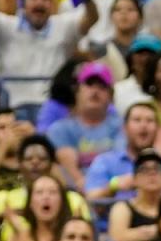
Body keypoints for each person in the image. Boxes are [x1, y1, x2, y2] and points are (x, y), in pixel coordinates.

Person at [0, 0, 97, 107]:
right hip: (12, 107)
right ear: (22, 2)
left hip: (52, 106)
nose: (39, 3)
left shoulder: (64, 26)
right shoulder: (6, 26)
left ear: (52, 4)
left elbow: (92, 18)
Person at [84, 101, 161, 200]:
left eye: (149, 120)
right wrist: (114, 186)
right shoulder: (104, 162)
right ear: (124, 128)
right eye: (137, 120)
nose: (143, 125)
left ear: (157, 129)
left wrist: (154, 189)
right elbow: (91, 200)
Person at [47, 62, 122, 190]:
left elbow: (121, 167)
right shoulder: (59, 130)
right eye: (89, 84)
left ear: (111, 96)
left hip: (115, 196)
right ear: (77, 91)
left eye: (102, 86)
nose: (95, 91)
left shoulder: (122, 126)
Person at [107, 147, 161, 241]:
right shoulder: (123, 207)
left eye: (157, 168)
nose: (152, 173)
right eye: (144, 169)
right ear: (134, 179)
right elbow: (117, 238)